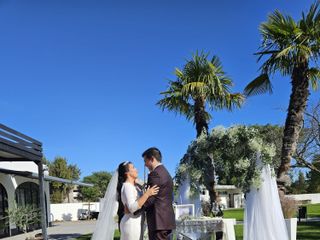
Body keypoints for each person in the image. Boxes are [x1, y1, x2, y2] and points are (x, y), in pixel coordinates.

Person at [91, 161, 158, 240]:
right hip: (131, 224)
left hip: (136, 223)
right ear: (127, 173)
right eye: (133, 168)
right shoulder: (127, 187)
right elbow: (132, 208)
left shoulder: (136, 187)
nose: (137, 170)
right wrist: (147, 194)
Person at [142, 147, 176, 240]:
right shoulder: (166, 173)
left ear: (152, 159)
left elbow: (151, 199)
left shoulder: (155, 174)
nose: (145, 165)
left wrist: (135, 207)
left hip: (158, 222)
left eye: (145, 161)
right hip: (166, 221)